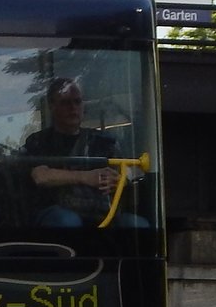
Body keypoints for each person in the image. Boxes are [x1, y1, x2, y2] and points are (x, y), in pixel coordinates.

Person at [22, 77, 144, 228]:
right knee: (67, 222)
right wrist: (86, 177)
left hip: (104, 213)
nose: (73, 108)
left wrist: (121, 179)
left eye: (77, 102)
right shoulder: (39, 141)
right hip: (58, 213)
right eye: (66, 103)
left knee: (138, 226)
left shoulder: (105, 141)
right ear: (52, 106)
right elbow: (41, 176)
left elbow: (134, 169)